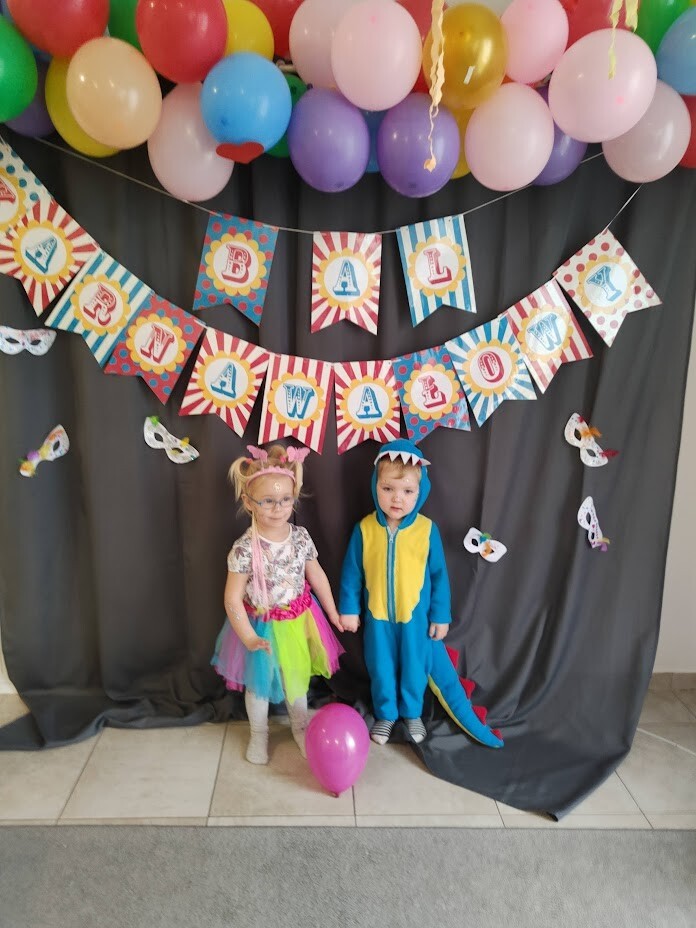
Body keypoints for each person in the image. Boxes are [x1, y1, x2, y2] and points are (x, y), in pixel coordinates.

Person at [339, 439, 504, 751]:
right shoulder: (365, 529)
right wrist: (349, 608)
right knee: (381, 668)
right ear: (375, 486)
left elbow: (440, 577)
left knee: (415, 669)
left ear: (420, 491)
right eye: (388, 488)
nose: (397, 498)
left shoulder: (427, 530)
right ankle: (386, 714)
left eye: (407, 491)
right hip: (377, 620)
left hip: (415, 621)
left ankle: (412, 713)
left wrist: (440, 616)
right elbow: (351, 574)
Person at [212, 443, 344, 765]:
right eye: (268, 501)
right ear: (249, 502)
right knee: (258, 686)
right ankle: (259, 733)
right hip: (261, 628)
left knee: (295, 681)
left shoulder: (300, 537)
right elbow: (232, 598)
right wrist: (249, 638)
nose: (278, 507)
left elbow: (317, 575)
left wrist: (332, 612)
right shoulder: (244, 548)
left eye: (285, 499)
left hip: (298, 621)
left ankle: (300, 727)